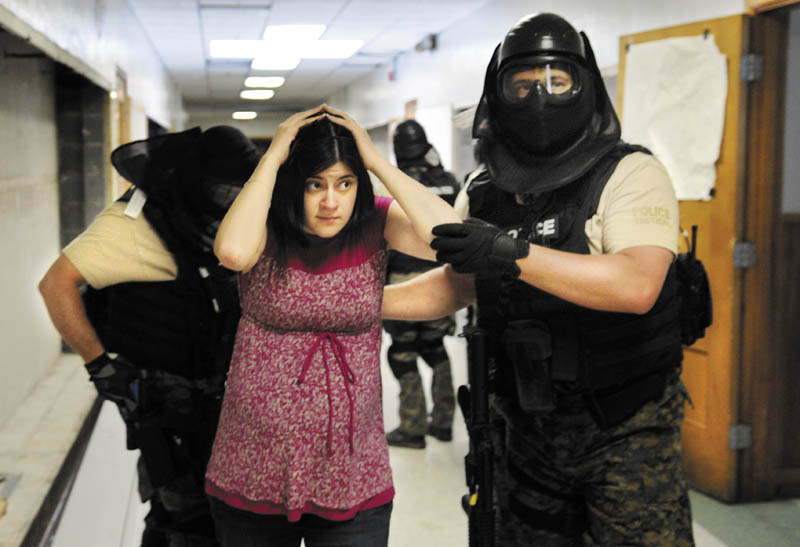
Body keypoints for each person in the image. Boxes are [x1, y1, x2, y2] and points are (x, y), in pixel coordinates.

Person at [383, 12, 694, 547]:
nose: (540, 98)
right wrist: (351, 305)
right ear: (497, 95)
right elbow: (457, 286)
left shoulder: (630, 172)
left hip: (623, 426)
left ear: (585, 86)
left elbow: (636, 285)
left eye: (558, 81)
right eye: (521, 84)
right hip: (522, 423)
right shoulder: (483, 191)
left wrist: (507, 250)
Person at [203, 104, 461, 546]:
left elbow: (452, 238)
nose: (330, 201)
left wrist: (376, 161)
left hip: (351, 467)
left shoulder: (374, 220)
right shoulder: (262, 223)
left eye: (345, 183)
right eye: (314, 185)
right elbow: (233, 254)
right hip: (254, 462)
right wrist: (273, 156)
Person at [38, 125, 260, 546]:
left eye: (243, 190)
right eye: (226, 190)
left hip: (225, 399)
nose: (235, 200)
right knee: (186, 518)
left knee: (215, 518)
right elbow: (55, 284)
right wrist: (100, 366)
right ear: (199, 182)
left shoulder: (231, 216)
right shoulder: (132, 223)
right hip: (166, 399)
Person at [382, 119, 461, 449]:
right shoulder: (448, 181)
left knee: (402, 353)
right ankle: (443, 423)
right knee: (435, 348)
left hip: (403, 279)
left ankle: (412, 427)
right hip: (443, 281)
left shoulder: (394, 184)